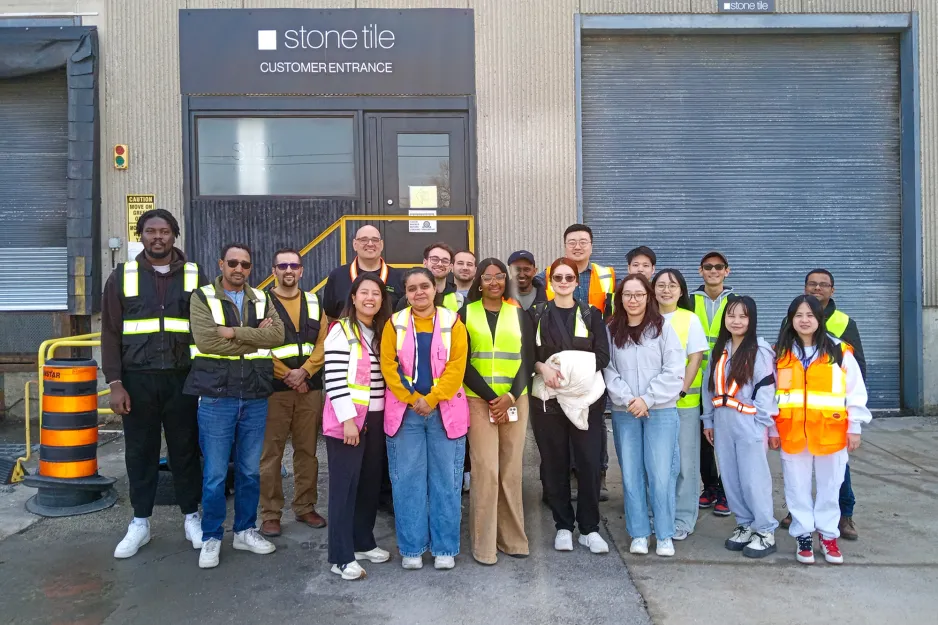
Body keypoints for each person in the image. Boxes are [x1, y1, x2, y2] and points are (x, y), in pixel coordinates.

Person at [102, 209, 207, 559]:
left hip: (183, 380)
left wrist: (203, 378)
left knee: (186, 452)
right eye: (150, 231)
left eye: (164, 231)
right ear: (141, 235)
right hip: (138, 381)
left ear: (174, 235)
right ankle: (140, 522)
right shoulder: (121, 276)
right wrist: (115, 383)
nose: (157, 237)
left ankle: (191, 517)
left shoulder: (195, 275)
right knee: (140, 454)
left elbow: (205, 329)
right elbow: (111, 333)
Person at [185, 243, 285, 569]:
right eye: (232, 263)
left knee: (249, 471)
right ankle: (212, 536)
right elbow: (207, 341)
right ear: (221, 264)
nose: (238, 269)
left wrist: (233, 333)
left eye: (245, 263)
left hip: (255, 395)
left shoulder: (263, 297)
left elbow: (278, 336)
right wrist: (254, 334)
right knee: (214, 474)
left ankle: (244, 531)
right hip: (217, 396)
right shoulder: (202, 297)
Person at [380, 268, 470, 571]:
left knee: (447, 481)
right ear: (405, 293)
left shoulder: (452, 322)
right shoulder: (394, 323)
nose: (419, 292)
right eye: (412, 288)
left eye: (424, 286)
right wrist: (412, 399)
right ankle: (412, 547)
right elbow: (388, 366)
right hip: (405, 414)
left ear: (435, 289)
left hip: (444, 413)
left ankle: (445, 548)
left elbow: (457, 367)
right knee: (407, 481)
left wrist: (430, 399)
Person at [773, 295, 871, 565]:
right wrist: (771, 428)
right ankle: (803, 534)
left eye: (810, 315)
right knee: (796, 486)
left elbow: (855, 393)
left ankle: (828, 534)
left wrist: (855, 427)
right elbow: (772, 396)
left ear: (820, 319)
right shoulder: (780, 353)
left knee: (831, 486)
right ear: (790, 320)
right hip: (793, 432)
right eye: (798, 315)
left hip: (831, 432)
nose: (804, 321)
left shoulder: (839, 351)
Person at [530, 258, 610, 555]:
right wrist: (542, 367)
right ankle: (563, 525)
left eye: (569, 278)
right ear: (550, 282)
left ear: (577, 282)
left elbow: (602, 356)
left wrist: (572, 375)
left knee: (589, 463)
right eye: (558, 278)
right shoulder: (536, 314)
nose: (563, 282)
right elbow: (527, 353)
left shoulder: (591, 314)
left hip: (585, 400)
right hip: (547, 402)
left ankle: (589, 528)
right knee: (555, 464)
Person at [604, 274, 684, 558]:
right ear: (620, 298)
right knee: (631, 474)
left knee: (661, 474)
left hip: (660, 411)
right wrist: (629, 400)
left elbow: (675, 370)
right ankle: (639, 533)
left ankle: (664, 534)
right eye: (627, 295)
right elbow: (608, 370)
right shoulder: (612, 329)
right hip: (626, 413)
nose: (633, 300)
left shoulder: (663, 328)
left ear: (648, 297)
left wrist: (647, 399)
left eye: (639, 294)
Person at [459, 258, 534, 564]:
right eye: (487, 277)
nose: (493, 282)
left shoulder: (519, 314)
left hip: (516, 399)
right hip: (479, 400)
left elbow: (528, 358)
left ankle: (513, 541)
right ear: (479, 282)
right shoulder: (465, 313)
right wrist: (493, 398)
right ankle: (485, 545)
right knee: (486, 470)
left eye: (499, 277)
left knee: (511, 471)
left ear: (505, 280)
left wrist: (510, 396)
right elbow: (462, 363)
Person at [322, 273, 393, 580]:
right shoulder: (342, 331)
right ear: (352, 297)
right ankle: (340, 556)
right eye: (364, 293)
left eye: (375, 294)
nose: (370, 298)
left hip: (375, 419)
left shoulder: (378, 331)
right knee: (344, 488)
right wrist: (348, 421)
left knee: (368, 485)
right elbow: (335, 380)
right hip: (349, 420)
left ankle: (363, 541)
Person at [541, 225, 616, 499]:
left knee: (592, 414)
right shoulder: (548, 275)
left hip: (593, 354)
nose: (578, 246)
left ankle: (599, 473)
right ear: (564, 245)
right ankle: (569, 476)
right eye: (572, 242)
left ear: (591, 246)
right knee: (562, 415)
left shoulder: (606, 276)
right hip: (560, 359)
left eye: (583, 242)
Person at [701, 296, 779, 558]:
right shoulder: (720, 350)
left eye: (743, 316)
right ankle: (744, 524)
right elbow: (708, 387)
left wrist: (760, 425)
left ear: (752, 320)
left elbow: (767, 390)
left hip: (749, 424)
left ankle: (765, 530)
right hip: (723, 424)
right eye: (731, 315)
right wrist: (709, 420)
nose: (736, 321)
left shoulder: (760, 350)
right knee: (731, 479)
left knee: (753, 480)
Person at [259, 249, 328, 538]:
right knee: (270, 453)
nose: (289, 270)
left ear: (301, 270)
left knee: (307, 451)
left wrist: (306, 372)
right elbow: (257, 342)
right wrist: (287, 374)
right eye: (282, 265)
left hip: (309, 388)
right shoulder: (260, 302)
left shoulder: (314, 301)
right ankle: (271, 514)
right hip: (275, 389)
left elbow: (324, 341)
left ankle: (305, 506)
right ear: (273, 270)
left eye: (294, 265)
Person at [651, 269, 707, 540]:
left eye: (672, 286)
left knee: (685, 464)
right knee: (659, 464)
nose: (666, 290)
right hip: (653, 404)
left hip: (684, 403)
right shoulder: (646, 318)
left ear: (681, 291)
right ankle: (659, 514)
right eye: (661, 285)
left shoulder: (689, 319)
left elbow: (695, 358)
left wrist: (681, 390)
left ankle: (683, 518)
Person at [693, 251, 734, 516]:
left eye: (718, 267)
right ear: (701, 271)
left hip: (726, 378)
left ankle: (727, 490)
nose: (713, 271)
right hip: (696, 378)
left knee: (727, 438)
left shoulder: (735, 301)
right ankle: (710, 487)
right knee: (702, 439)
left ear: (726, 271)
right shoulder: (689, 299)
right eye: (708, 267)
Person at [322, 225, 404, 319]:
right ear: (354, 244)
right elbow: (329, 316)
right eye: (364, 240)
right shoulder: (337, 276)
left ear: (381, 245)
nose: (370, 244)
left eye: (375, 240)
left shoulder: (399, 278)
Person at [396, 242, 463, 312]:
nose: (440, 264)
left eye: (445, 261)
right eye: (434, 259)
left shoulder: (460, 300)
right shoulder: (407, 300)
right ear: (425, 263)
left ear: (450, 267)